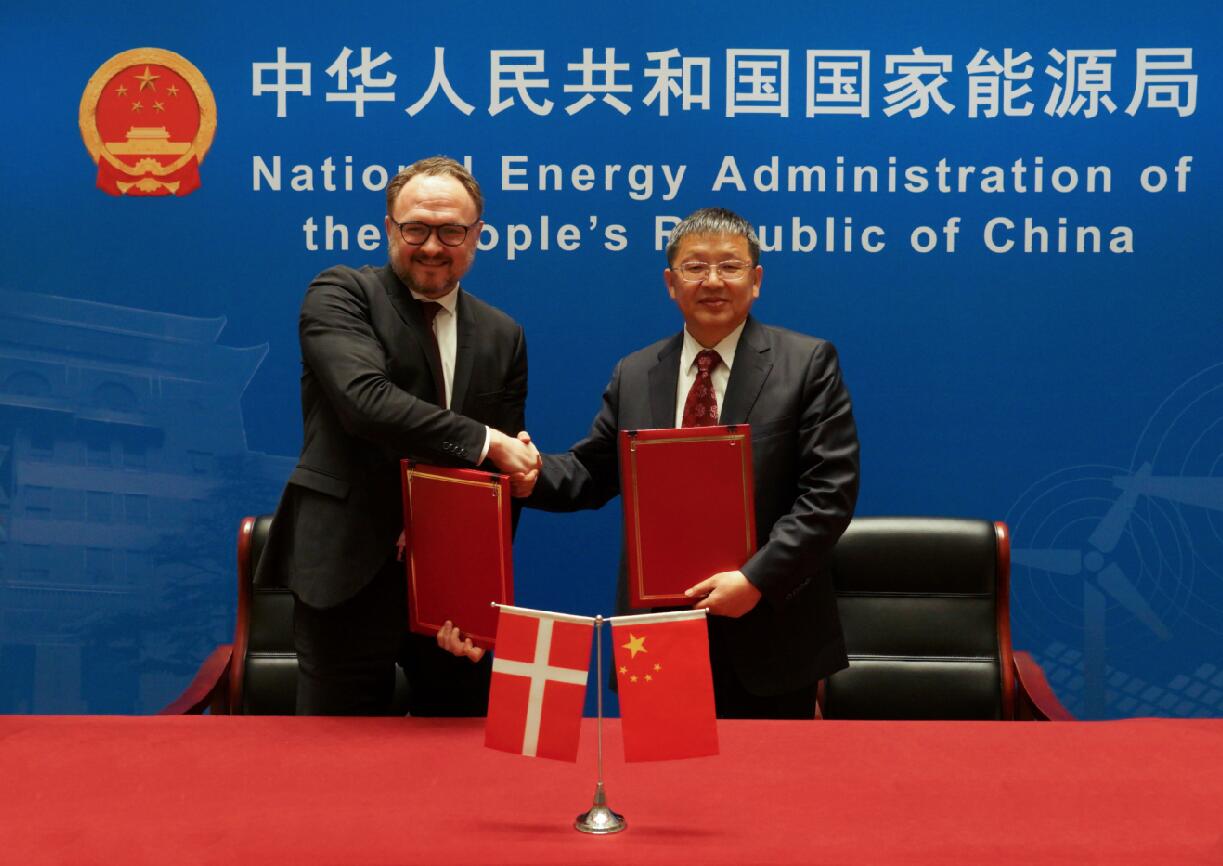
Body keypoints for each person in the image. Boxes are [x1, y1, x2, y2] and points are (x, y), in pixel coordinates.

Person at [522, 207, 860, 718]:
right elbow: (592, 472)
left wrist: (756, 580)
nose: (713, 281)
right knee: (660, 771)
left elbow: (828, 494)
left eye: (730, 266)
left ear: (756, 280)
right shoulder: (636, 372)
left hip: (768, 631)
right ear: (670, 283)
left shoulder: (807, 363)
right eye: (695, 267)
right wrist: (529, 472)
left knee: (765, 773)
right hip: (657, 633)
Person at [258, 156, 541, 716]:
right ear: (389, 228)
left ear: (477, 235)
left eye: (451, 231)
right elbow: (365, 402)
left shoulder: (503, 334)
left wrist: (478, 593)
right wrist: (489, 441)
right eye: (416, 229)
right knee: (335, 756)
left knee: (456, 755)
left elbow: (496, 479)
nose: (432, 246)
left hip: (449, 588)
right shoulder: (341, 294)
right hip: (346, 573)